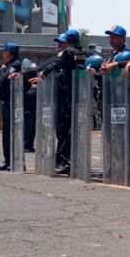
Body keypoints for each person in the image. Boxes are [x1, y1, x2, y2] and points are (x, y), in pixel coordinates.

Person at [39, 29, 89, 175]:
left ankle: (64, 160)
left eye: (62, 42)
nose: (60, 45)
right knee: (77, 130)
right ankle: (74, 160)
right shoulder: (87, 53)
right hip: (82, 96)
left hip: (68, 96)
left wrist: (44, 72)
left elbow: (56, 63)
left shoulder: (68, 53)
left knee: (64, 130)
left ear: (68, 42)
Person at [0, 42, 22, 171]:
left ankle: (15, 161)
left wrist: (2, 70)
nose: (3, 53)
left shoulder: (15, 64)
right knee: (6, 134)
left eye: (4, 51)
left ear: (9, 52)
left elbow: (4, 79)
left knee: (13, 133)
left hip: (14, 103)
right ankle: (8, 161)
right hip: (8, 102)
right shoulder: (9, 65)